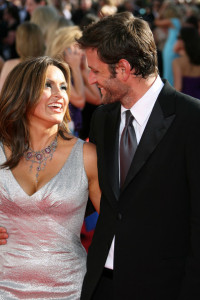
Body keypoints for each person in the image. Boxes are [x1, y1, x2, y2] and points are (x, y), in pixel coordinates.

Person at [76, 11, 200, 300]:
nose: (91, 79)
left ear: (122, 68)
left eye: (95, 70)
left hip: (162, 287)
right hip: (100, 284)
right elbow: (99, 197)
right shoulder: (103, 118)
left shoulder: (191, 120)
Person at [0, 56, 100, 299]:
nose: (59, 95)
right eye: (48, 85)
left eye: (63, 87)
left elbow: (118, 223)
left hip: (70, 290)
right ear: (22, 92)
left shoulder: (87, 156)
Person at [0, 21, 45, 91]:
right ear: (41, 41)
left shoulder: (9, 65)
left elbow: (1, 94)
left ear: (19, 43)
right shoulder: (49, 66)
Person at [173, 26, 200, 99]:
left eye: (178, 38)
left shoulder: (177, 62)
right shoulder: (197, 59)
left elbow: (178, 88)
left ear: (183, 40)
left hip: (186, 103)